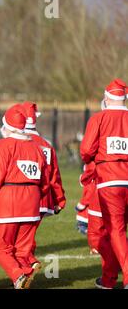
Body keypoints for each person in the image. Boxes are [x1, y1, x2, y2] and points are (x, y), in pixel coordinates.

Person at [0, 104, 49, 289]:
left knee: (2, 250)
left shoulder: (4, 145)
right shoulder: (37, 148)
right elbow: (45, 181)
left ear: (7, 126)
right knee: (22, 250)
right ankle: (23, 277)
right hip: (32, 202)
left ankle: (18, 276)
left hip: (9, 201)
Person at [80, 78, 128, 289]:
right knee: (117, 233)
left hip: (110, 181)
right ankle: (108, 279)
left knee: (115, 231)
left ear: (107, 98)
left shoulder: (99, 118)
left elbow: (86, 150)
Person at [22, 101, 66, 279]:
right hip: (43, 199)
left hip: (22, 198)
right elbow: (55, 175)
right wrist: (59, 199)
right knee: (27, 236)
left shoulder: (18, 143)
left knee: (19, 240)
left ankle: (24, 270)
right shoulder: (46, 144)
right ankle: (25, 269)